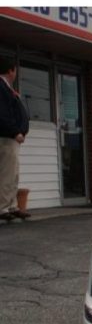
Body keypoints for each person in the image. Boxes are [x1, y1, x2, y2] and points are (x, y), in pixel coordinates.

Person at [0, 55, 30, 221]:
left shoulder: (7, 88)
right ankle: (3, 208)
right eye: (15, 70)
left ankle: (11, 205)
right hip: (6, 138)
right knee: (7, 173)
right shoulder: (1, 88)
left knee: (12, 173)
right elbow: (3, 114)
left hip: (11, 138)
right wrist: (15, 131)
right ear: (11, 71)